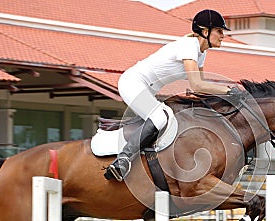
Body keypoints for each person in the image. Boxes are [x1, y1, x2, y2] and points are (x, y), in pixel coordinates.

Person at [104, 9, 248, 182]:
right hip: (132, 83)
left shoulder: (201, 53)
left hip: (147, 89)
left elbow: (200, 90)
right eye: (219, 31)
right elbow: (197, 84)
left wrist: (225, 99)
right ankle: (123, 160)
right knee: (161, 117)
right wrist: (228, 91)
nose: (223, 35)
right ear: (205, 31)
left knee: (169, 121)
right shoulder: (189, 46)